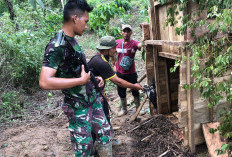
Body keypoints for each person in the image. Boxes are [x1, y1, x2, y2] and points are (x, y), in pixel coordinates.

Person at [39, 0, 112, 156]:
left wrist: (93, 78)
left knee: (105, 135)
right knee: (84, 149)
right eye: (85, 21)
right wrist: (80, 81)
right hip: (78, 107)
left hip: (91, 100)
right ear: (74, 18)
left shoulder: (72, 40)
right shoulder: (56, 46)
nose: (86, 26)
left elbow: (76, 68)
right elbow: (44, 81)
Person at [88, 36, 143, 146]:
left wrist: (102, 93)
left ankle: (105, 139)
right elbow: (118, 81)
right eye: (113, 48)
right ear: (107, 49)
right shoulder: (100, 62)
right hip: (90, 95)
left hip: (96, 92)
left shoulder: (103, 58)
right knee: (100, 117)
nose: (115, 50)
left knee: (104, 114)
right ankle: (102, 142)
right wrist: (134, 86)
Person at [112, 24, 143, 116]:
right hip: (120, 72)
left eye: (128, 31)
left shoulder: (134, 43)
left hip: (131, 72)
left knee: (135, 89)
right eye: (124, 31)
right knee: (121, 90)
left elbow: (141, 45)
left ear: (131, 32)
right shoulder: (117, 43)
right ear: (121, 32)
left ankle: (138, 108)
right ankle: (124, 109)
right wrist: (113, 64)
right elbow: (111, 52)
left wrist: (144, 37)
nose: (126, 33)